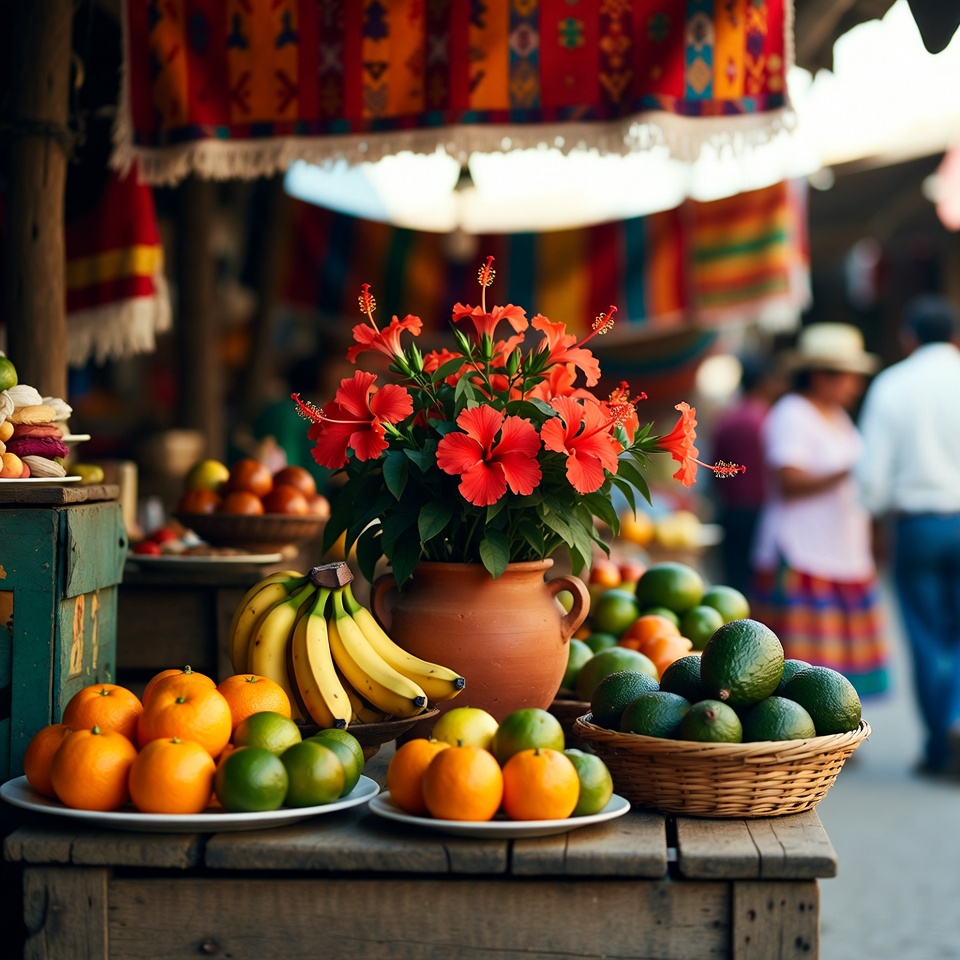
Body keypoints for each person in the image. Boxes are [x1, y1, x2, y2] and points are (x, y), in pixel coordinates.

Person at [750, 323, 889, 699]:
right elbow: (789, 480)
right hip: (802, 550)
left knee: (836, 657)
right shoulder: (792, 413)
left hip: (841, 549)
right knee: (803, 662)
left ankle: (836, 731)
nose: (854, 385)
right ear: (819, 375)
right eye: (847, 375)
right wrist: (847, 470)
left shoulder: (838, 417)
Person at [856, 295, 960, 775]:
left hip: (918, 525)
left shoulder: (893, 385)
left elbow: (872, 476)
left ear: (908, 336)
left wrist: (873, 520)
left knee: (925, 634)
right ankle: (957, 717)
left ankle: (942, 739)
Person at [708, 352, 784, 595]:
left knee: (732, 582)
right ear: (765, 382)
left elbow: (714, 469)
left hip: (730, 510)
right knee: (759, 585)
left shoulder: (727, 420)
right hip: (761, 514)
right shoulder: (770, 422)